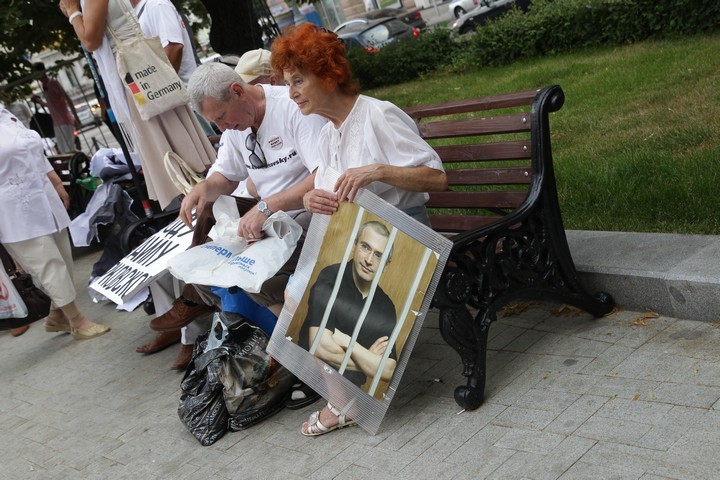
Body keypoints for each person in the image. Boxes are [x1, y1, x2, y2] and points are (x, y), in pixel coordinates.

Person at [270, 23, 448, 436]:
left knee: (307, 293)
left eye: (299, 80)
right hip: (360, 243)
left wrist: (378, 170)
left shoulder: (377, 114)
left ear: (327, 73)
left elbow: (436, 178)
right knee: (295, 292)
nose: (292, 92)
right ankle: (346, 395)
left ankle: (344, 399)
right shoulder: (331, 133)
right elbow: (336, 194)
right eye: (287, 82)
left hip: (406, 241)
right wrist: (312, 198)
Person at [137, 61, 326, 370]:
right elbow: (226, 175)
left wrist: (267, 207)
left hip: (312, 211)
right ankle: (302, 356)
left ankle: (306, 359)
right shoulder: (237, 125)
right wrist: (203, 188)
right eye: (215, 123)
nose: (223, 128)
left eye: (222, 117)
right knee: (229, 256)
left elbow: (324, 175)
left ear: (238, 91)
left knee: (255, 275)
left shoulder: (288, 108)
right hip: (277, 220)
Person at [58, 0, 215, 210]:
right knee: (173, 146)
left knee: (167, 149)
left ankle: (202, 206)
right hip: (143, 72)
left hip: (135, 77)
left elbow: (90, 41)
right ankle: (203, 203)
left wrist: (73, 13)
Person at [0, 108, 110, 339]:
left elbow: (33, 153)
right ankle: (77, 321)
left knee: (63, 258)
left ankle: (56, 315)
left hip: (44, 197)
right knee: (48, 264)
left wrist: (56, 181)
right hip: (14, 209)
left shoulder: (5, 114)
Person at [300, 221, 398, 390]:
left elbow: (388, 370)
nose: (369, 260)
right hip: (308, 375)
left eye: (378, 255)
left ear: (386, 266)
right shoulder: (331, 277)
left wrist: (347, 342)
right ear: (354, 246)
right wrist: (369, 360)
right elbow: (320, 346)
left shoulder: (386, 306)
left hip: (351, 388)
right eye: (365, 247)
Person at [30, 62, 78, 154]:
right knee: (65, 151)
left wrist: (76, 117)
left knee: (69, 150)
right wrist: (40, 102)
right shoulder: (45, 86)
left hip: (64, 121)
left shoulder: (52, 83)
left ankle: (84, 164)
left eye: (35, 72)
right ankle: (78, 167)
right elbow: (52, 105)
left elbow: (67, 98)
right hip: (57, 123)